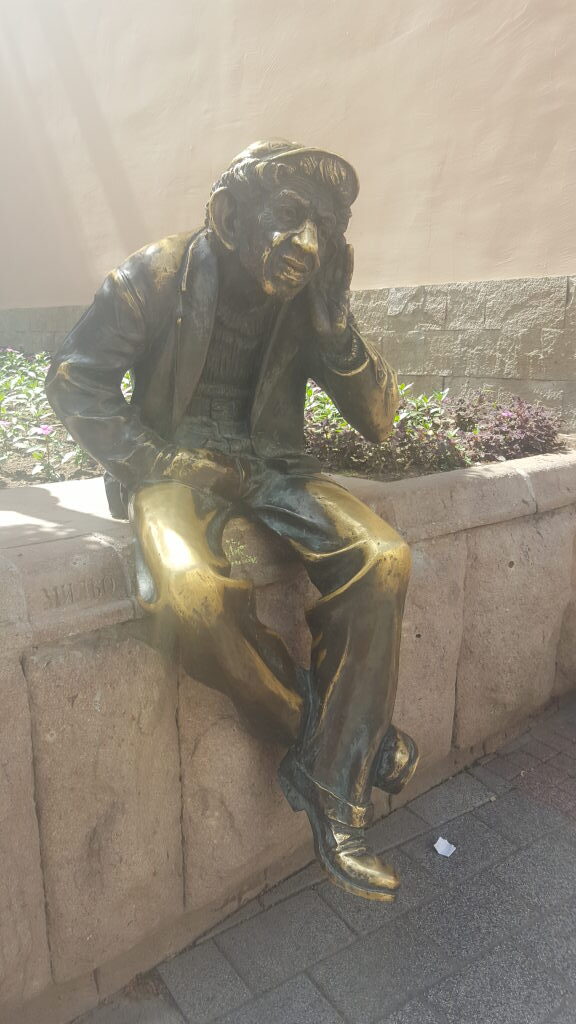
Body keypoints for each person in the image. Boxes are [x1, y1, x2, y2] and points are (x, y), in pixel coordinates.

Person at [46, 140, 418, 901]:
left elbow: (380, 420)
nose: (307, 244)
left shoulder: (310, 295)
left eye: (325, 228)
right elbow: (74, 380)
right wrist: (156, 460)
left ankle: (334, 775)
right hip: (172, 469)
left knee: (383, 559)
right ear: (227, 216)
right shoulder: (154, 275)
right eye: (289, 217)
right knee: (192, 598)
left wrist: (337, 325)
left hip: (274, 465)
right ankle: (334, 752)